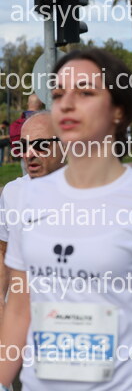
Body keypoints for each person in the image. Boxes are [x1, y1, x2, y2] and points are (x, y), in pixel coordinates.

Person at [0, 49, 132, 390]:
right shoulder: (27, 199)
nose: (67, 104)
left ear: (118, 111)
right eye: (59, 94)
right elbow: (19, 309)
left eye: (84, 92)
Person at [0, 112, 65, 323]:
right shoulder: (12, 192)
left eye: (40, 145)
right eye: (23, 146)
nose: (29, 153)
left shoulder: (91, 192)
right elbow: (3, 251)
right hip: (24, 317)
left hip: (74, 318)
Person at [10, 94, 43, 175]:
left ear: (28, 104)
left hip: (24, 159)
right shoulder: (44, 122)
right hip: (42, 158)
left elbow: (14, 144)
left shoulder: (16, 124)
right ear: (41, 104)